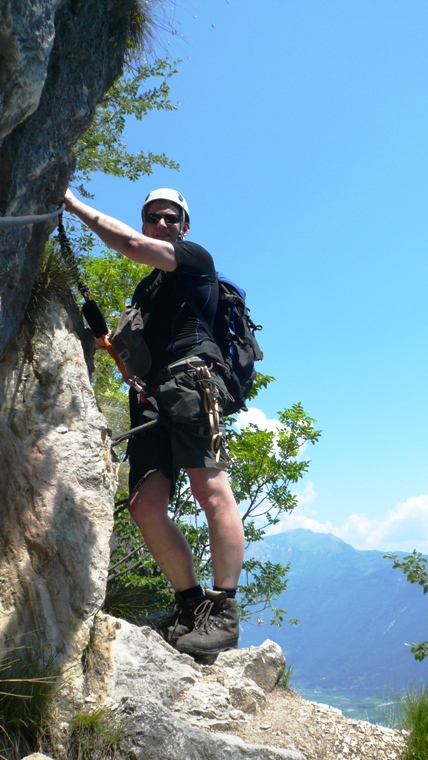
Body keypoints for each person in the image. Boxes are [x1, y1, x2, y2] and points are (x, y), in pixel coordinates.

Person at [63, 187, 245, 657]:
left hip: (192, 381)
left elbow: (128, 245)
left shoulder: (193, 259)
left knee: (210, 489)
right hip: (150, 392)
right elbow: (136, 360)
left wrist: (70, 200)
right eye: (152, 218)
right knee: (145, 505)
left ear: (184, 226)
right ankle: (190, 607)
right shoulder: (147, 291)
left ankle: (223, 610)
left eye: (170, 217)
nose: (161, 224)